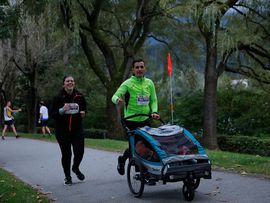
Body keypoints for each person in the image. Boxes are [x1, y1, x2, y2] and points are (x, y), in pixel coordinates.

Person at [111, 58, 160, 175]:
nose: (139, 69)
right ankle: (136, 169)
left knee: (148, 144)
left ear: (145, 68)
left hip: (145, 119)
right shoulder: (127, 83)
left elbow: (153, 100)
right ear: (133, 69)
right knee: (135, 147)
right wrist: (117, 99)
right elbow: (114, 96)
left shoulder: (149, 83)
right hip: (131, 121)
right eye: (137, 67)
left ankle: (145, 169)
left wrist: (154, 111)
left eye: (141, 67)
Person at [51, 75, 87, 185]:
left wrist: (83, 113)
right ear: (64, 84)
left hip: (77, 130)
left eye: (72, 81)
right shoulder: (58, 97)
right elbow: (52, 114)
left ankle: (75, 168)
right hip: (62, 131)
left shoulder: (80, 96)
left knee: (79, 151)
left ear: (74, 83)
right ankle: (67, 176)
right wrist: (62, 110)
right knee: (66, 154)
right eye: (67, 81)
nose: (70, 82)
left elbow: (85, 109)